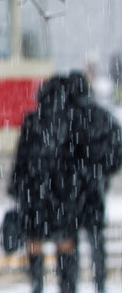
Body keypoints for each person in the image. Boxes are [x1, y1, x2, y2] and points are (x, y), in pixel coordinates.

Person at [8, 75, 80, 293]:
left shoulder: (32, 120)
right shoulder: (71, 120)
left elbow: (21, 158)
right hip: (63, 195)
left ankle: (37, 285)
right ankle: (67, 287)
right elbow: (77, 160)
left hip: (34, 194)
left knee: (35, 244)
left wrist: (17, 188)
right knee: (65, 246)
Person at [67, 71, 122, 293]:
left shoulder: (66, 117)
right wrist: (103, 171)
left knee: (71, 244)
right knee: (97, 241)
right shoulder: (101, 115)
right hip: (95, 188)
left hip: (69, 192)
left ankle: (70, 285)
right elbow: (117, 149)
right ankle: (100, 285)